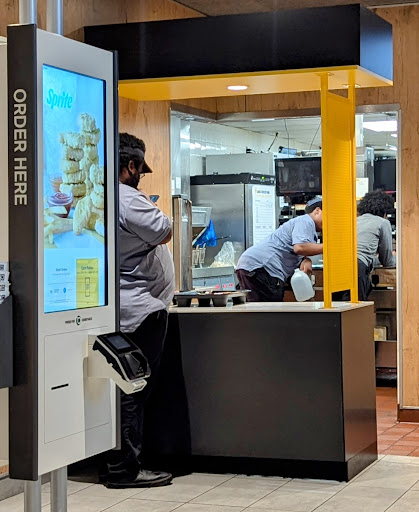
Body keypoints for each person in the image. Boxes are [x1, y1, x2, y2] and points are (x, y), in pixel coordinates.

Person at [102, 133, 175, 489]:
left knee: (120, 388)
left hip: (116, 308)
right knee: (133, 388)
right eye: (139, 171)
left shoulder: (94, 195)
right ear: (130, 166)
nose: (139, 178)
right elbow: (165, 229)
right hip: (139, 310)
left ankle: (115, 462)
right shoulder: (127, 198)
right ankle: (124, 469)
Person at [236, 197, 323, 302]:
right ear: (317, 211)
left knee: (257, 308)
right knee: (269, 309)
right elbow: (300, 247)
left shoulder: (306, 227)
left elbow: (296, 249)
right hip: (262, 268)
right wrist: (330, 246)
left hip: (251, 265)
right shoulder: (306, 221)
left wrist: (306, 259)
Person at [334, 190, 395, 301]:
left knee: (338, 308)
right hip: (356, 267)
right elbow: (387, 260)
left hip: (336, 266)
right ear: (385, 212)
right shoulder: (383, 222)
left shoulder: (353, 221)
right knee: (356, 308)